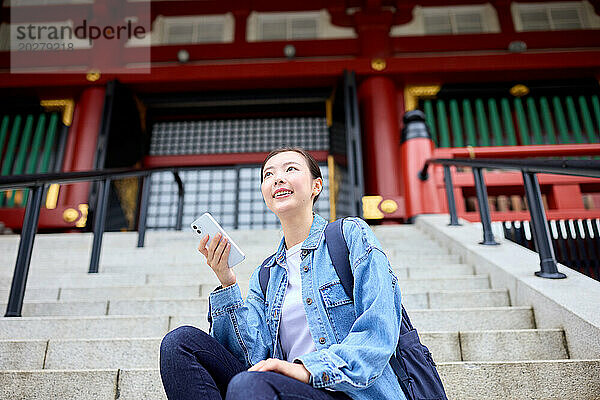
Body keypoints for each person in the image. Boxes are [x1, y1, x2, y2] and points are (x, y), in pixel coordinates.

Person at [160, 146, 406, 400]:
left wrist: (305, 370)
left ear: (316, 186)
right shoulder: (266, 275)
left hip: (351, 392)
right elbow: (250, 359)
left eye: (291, 169)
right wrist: (227, 282)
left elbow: (378, 330)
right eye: (268, 175)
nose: (277, 178)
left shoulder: (350, 236)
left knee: (248, 385)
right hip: (285, 392)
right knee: (180, 343)